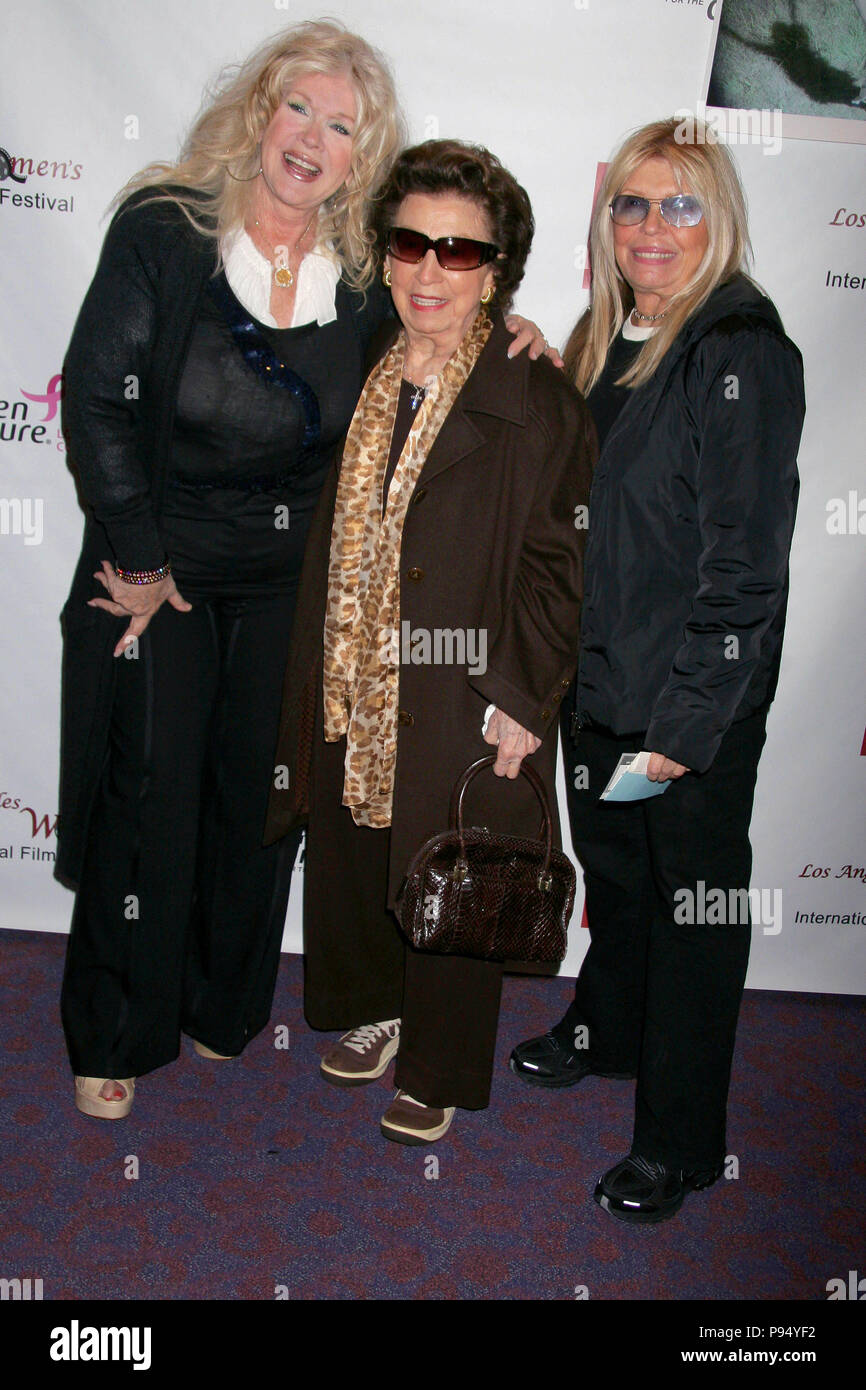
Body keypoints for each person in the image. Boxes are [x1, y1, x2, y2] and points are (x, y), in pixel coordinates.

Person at [58, 22, 550, 1121]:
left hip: (295, 583)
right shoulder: (166, 230)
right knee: (147, 795)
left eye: (342, 125)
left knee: (260, 802)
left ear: (358, 154)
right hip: (162, 569)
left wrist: (519, 335)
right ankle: (116, 1032)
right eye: (299, 109)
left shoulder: (367, 269)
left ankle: (223, 1008)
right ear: (257, 110)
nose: (312, 138)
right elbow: (95, 398)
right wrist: (136, 558)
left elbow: (445, 317)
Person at [265, 139, 595, 1146]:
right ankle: (372, 1001)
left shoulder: (534, 397)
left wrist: (519, 699)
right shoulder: (361, 356)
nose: (427, 271)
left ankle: (441, 1063)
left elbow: (558, 567)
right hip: (351, 671)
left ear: (494, 269)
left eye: (459, 252)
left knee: (453, 864)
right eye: (410, 244)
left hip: (464, 684)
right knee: (361, 846)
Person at [510, 118, 805, 1222]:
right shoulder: (612, 333)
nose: (648, 225)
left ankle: (680, 1142)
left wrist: (681, 729)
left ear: (714, 218)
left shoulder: (740, 352)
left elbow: (742, 573)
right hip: (601, 683)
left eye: (676, 204)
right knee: (620, 879)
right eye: (630, 204)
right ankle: (605, 1028)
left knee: (695, 910)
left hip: (692, 704)